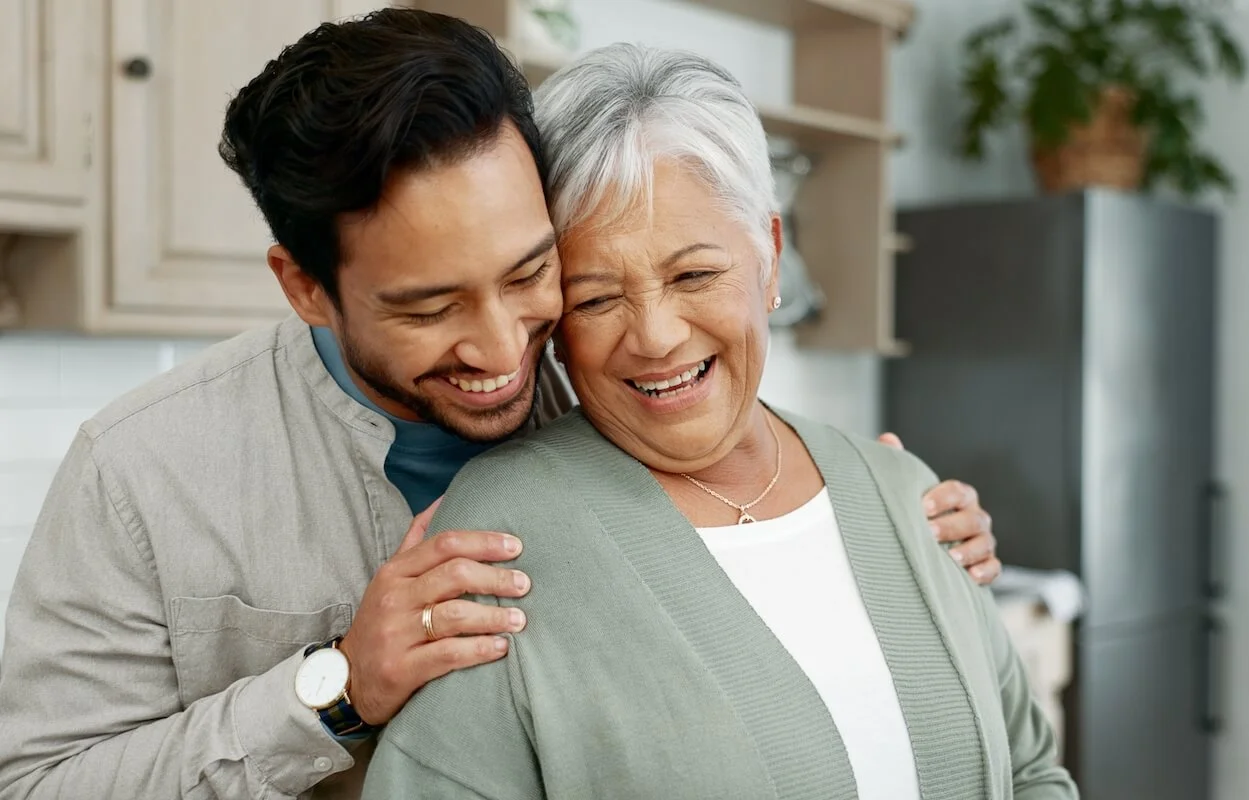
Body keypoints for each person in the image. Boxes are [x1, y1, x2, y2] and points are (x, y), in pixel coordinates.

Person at [0, 10, 1000, 800]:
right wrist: (337, 687)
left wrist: (875, 524)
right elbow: (37, 783)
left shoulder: (610, 379)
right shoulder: (145, 470)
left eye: (533, 272)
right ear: (304, 286)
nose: (500, 346)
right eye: (428, 306)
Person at [362, 43, 1077, 800]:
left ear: (768, 258)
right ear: (555, 325)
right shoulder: (499, 538)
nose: (657, 335)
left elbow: (1031, 771)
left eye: (694, 275)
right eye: (597, 298)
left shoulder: (906, 491)